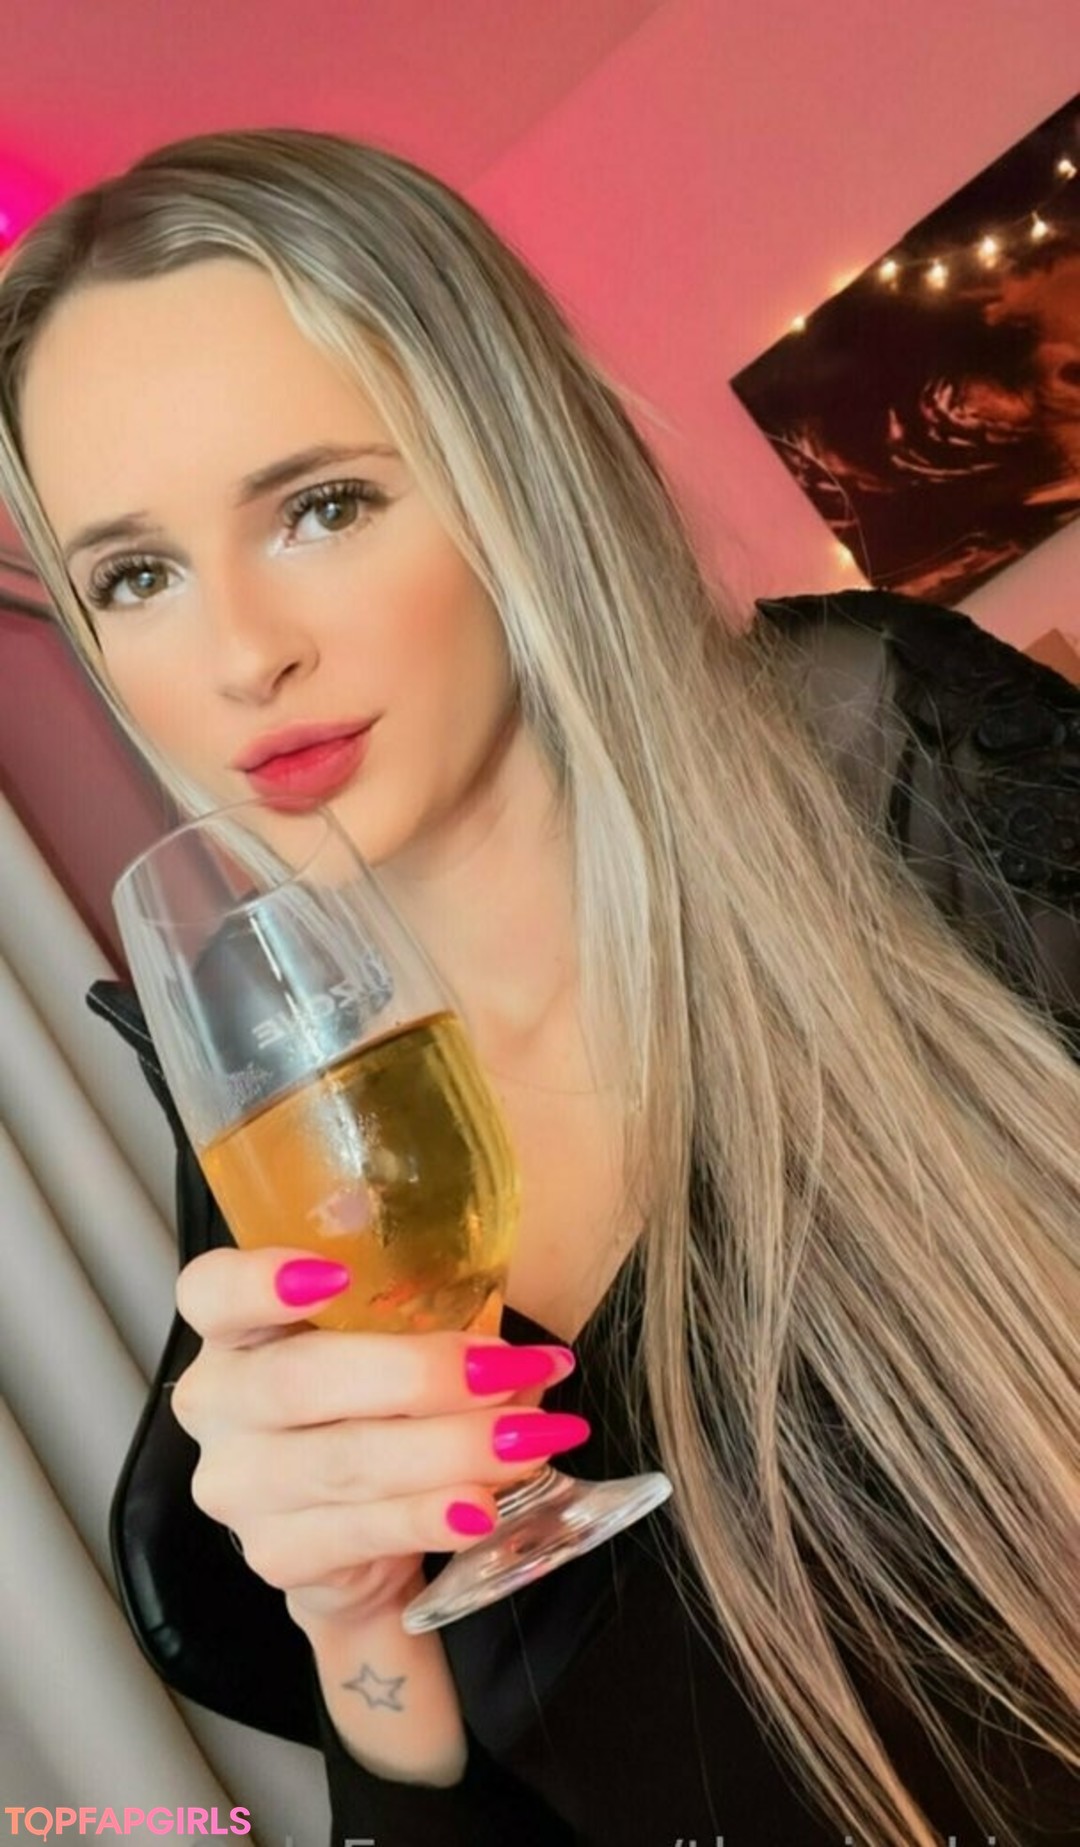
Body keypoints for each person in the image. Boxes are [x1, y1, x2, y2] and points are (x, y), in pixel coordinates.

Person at [0, 128, 1077, 1847]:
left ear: (512, 465)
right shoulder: (289, 1161)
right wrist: (358, 1625)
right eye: (136, 575)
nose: (239, 654)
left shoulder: (901, 768)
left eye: (323, 505)